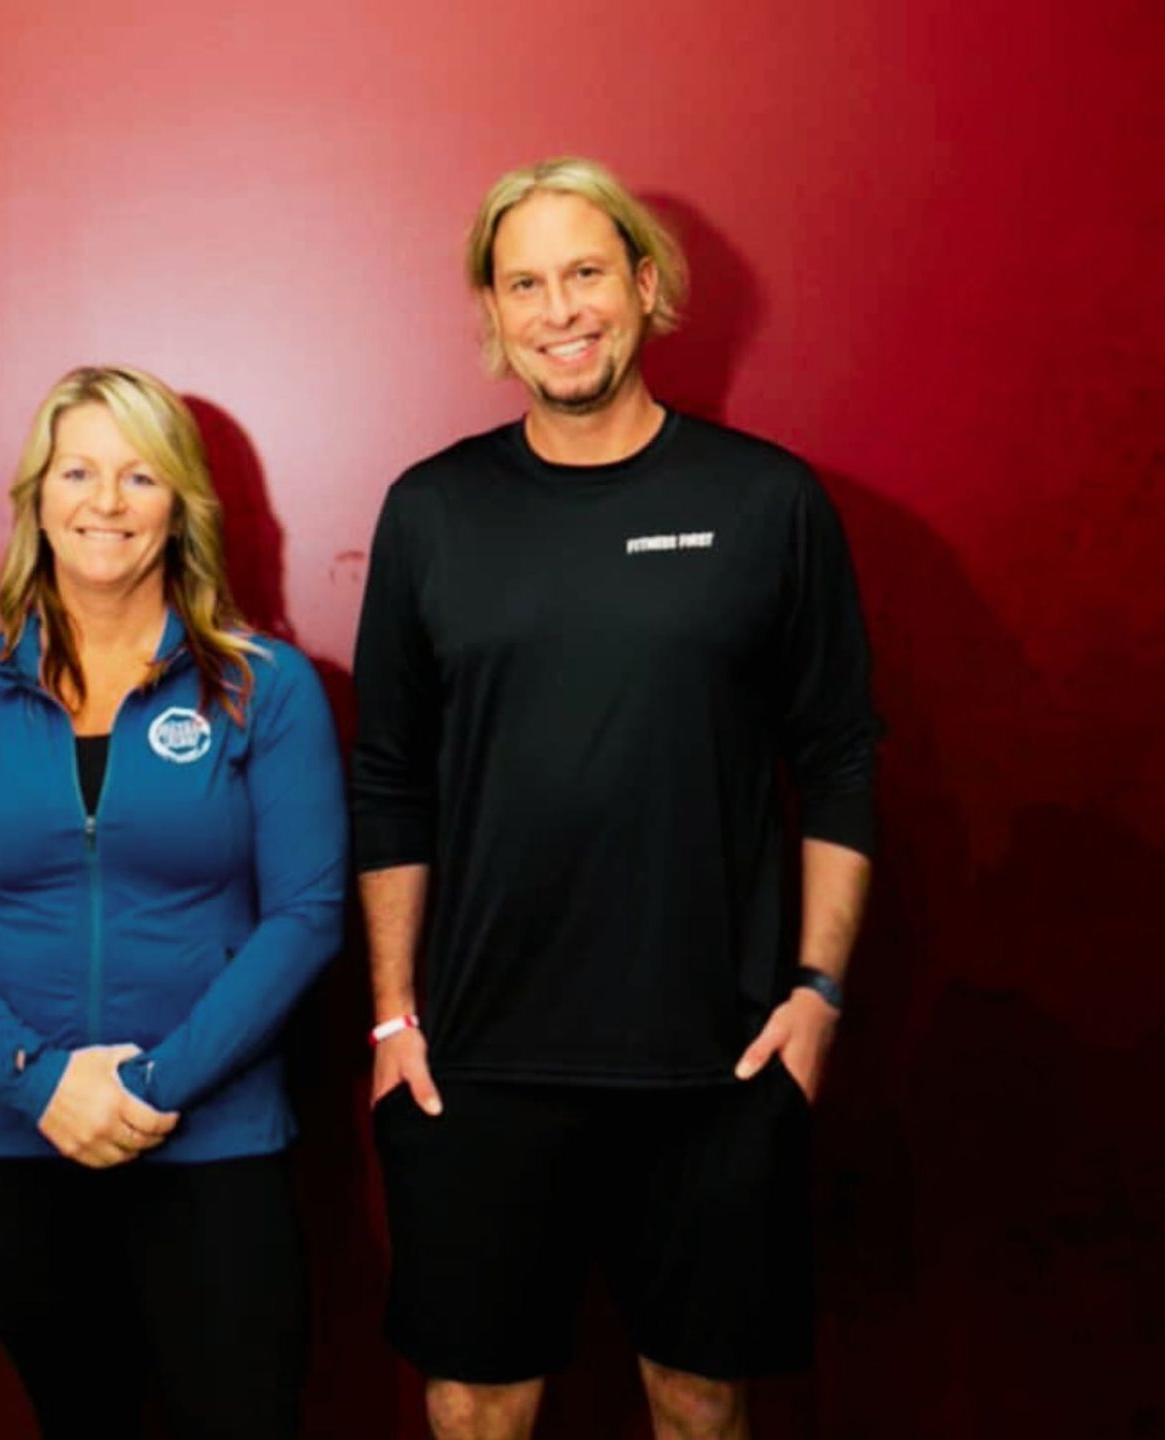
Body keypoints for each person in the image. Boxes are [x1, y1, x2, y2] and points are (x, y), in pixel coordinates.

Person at [353, 157, 880, 1440]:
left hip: (715, 1058)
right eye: (524, 283)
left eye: (585, 272)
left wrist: (817, 996)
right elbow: (389, 776)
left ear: (645, 284)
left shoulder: (765, 502)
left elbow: (840, 759)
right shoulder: (432, 511)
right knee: (474, 1408)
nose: (560, 310)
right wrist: (392, 1017)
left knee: (698, 1404)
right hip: (477, 1060)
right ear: (494, 310)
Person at [0, 365, 345, 1439]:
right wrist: (39, 1083)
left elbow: (308, 914)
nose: (106, 501)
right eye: (78, 472)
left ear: (180, 504)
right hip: (16, 1140)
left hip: (213, 1138)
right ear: (37, 498)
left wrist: (148, 1086)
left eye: (140, 476)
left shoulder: (265, 687)